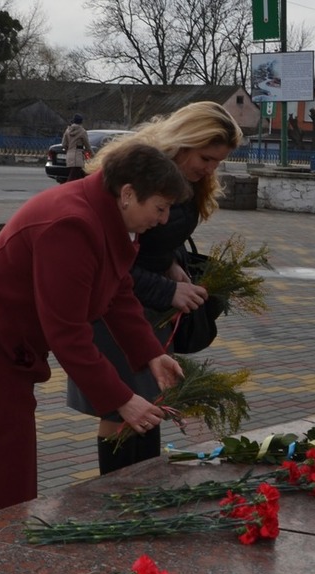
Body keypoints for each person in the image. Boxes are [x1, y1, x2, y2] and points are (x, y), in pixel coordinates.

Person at [0, 141, 192, 541]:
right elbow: (67, 333)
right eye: (161, 208)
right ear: (129, 193)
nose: (164, 220)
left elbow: (117, 293)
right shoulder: (73, 224)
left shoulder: (106, 214)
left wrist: (151, 355)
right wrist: (121, 399)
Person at [66, 101, 244, 475]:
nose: (211, 169)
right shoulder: (140, 173)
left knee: (150, 403)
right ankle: (115, 494)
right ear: (185, 141)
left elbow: (155, 243)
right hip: (117, 307)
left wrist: (172, 265)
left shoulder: (188, 181)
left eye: (218, 162)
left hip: (147, 308)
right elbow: (113, 262)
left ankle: (143, 484)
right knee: (120, 410)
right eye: (207, 158)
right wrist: (167, 291)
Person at [62, 113, 92, 182]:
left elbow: (64, 144)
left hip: (69, 156)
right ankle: (67, 190)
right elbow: (87, 145)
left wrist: (69, 150)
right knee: (73, 178)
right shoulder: (82, 131)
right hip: (78, 157)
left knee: (77, 177)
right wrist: (92, 154)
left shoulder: (67, 130)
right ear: (81, 122)